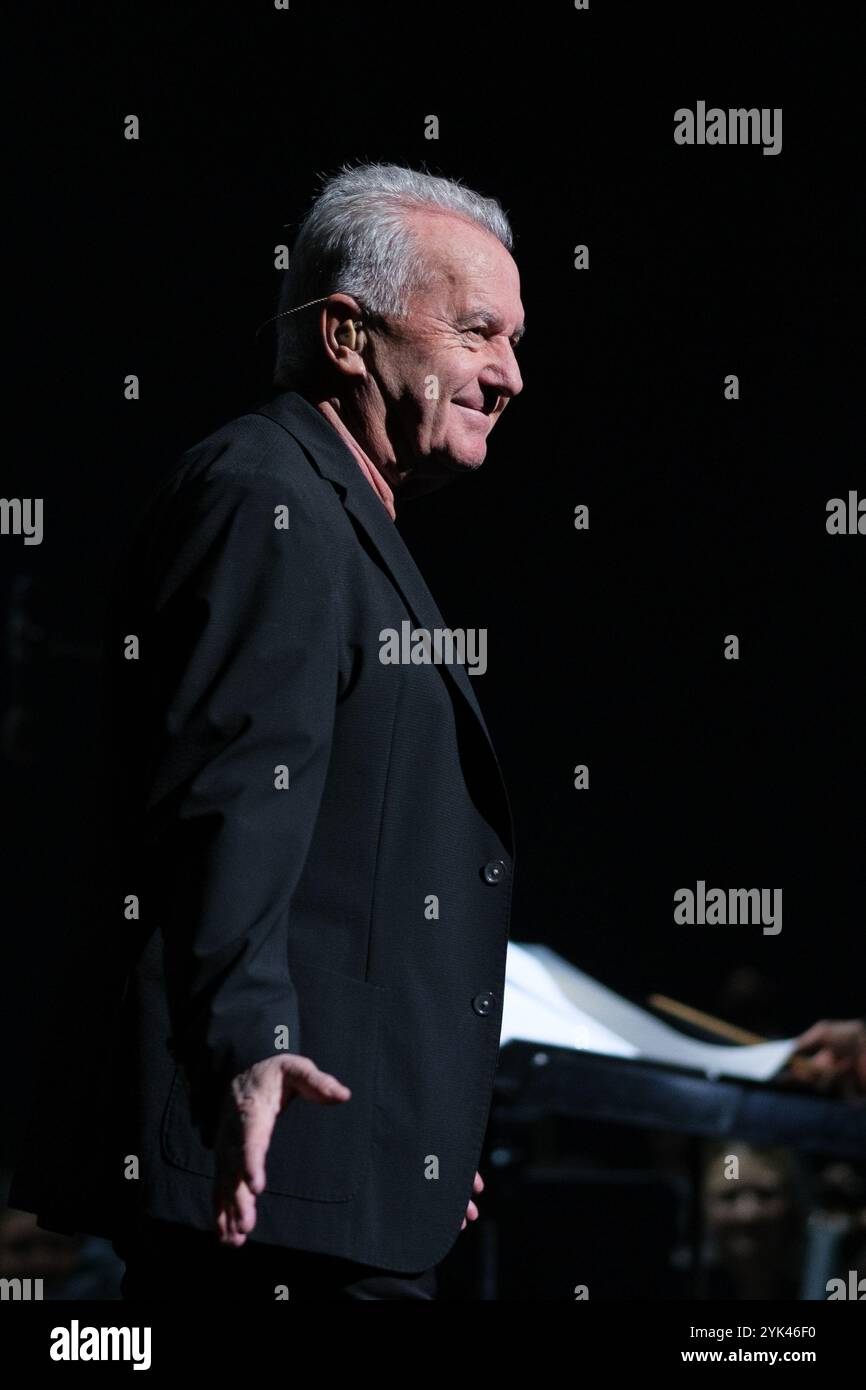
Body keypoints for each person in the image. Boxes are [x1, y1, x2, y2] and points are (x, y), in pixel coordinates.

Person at [10, 163, 525, 1300]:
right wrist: (246, 1043)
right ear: (347, 334)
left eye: (514, 341)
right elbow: (228, 795)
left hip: (333, 1172)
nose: (508, 375)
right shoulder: (267, 495)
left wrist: (405, 1121)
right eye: (478, 332)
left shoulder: (339, 518)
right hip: (264, 1186)